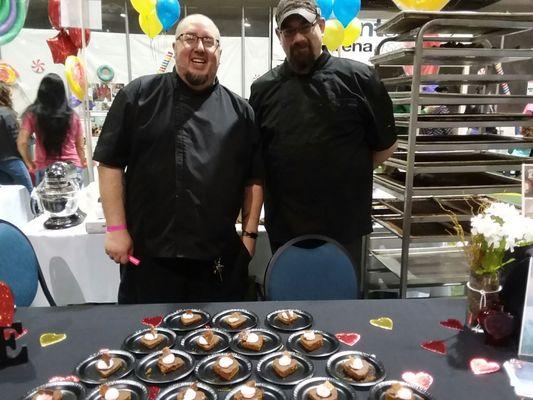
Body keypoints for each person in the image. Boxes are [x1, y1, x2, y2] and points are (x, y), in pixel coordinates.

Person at [93, 14, 263, 304]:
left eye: (209, 41)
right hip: (149, 255)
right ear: (174, 47)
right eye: (190, 38)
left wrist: (249, 239)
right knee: (148, 340)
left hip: (217, 259)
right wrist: (117, 230)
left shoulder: (241, 112)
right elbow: (109, 163)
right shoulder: (138, 96)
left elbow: (254, 178)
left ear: (219, 53)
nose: (199, 47)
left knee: (218, 342)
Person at [249, 0, 397, 266]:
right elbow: (256, 161)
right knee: (287, 304)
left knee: (342, 305)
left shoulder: (360, 78)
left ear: (321, 26)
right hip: (285, 229)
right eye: (288, 31)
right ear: (279, 37)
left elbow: (385, 146)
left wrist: (344, 171)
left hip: (344, 229)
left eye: (304, 27)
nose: (297, 37)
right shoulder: (263, 90)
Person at [17, 73, 87, 185]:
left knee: (47, 202)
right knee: (73, 201)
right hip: (72, 166)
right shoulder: (72, 115)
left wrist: (29, 162)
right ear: (62, 93)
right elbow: (79, 145)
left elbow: (22, 142)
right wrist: (83, 160)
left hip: (45, 168)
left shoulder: (32, 114)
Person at [0, 83, 33, 193]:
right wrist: (27, 160)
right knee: (28, 192)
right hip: (13, 161)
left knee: (8, 196)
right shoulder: (7, 113)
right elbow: (17, 138)